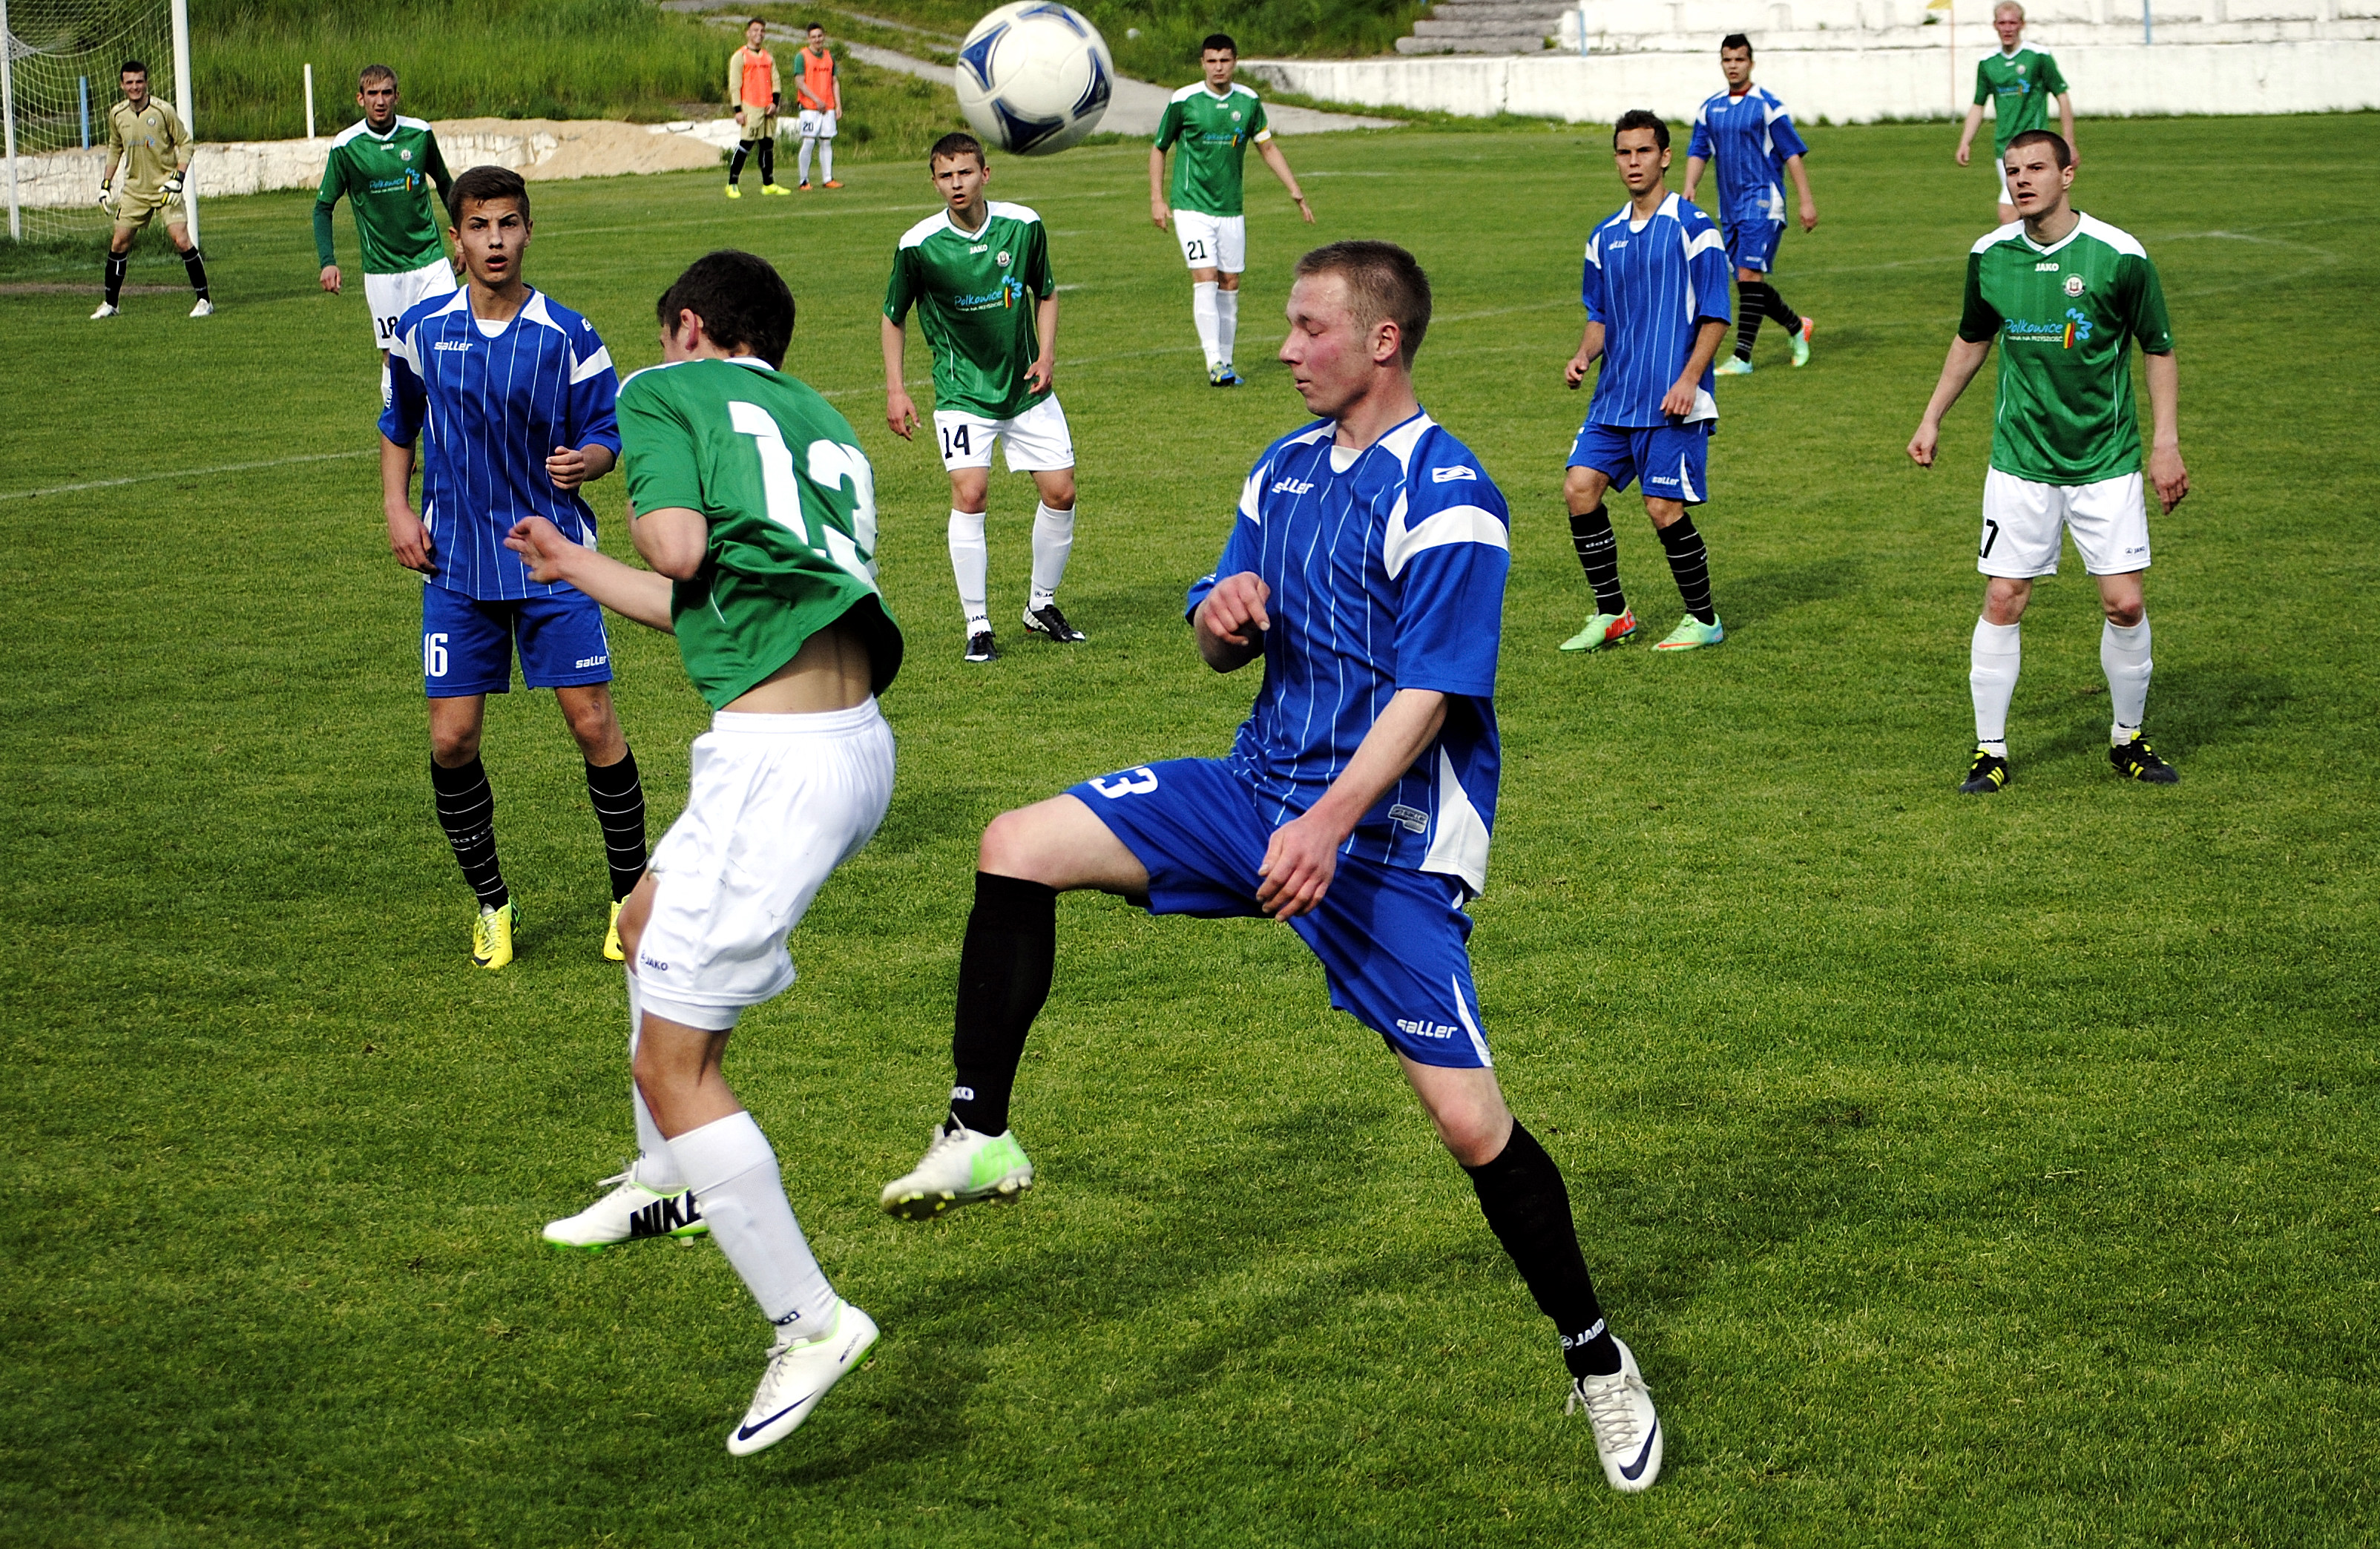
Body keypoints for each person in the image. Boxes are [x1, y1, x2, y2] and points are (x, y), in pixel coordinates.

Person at [878, 240, 1665, 1495]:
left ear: (1382, 341)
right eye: (1288, 327)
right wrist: (1218, 615)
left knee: (1471, 1124)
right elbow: (1219, 640)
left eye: (1308, 328)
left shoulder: (1451, 494)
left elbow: (1431, 693)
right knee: (1014, 846)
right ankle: (980, 1130)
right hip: (1255, 795)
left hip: (1388, 846)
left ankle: (1596, 1357)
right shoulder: (1282, 467)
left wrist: (1332, 825)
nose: (1286, 348)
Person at [514, 249, 903, 1456]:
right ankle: (667, 1180)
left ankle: (811, 1321)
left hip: (778, 765)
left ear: (687, 326)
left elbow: (678, 549)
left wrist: (631, 494)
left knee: (674, 1064)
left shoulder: (663, 390)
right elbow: (720, 596)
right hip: (841, 742)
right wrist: (574, 564)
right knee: (642, 922)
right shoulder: (818, 417)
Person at [379, 165, 648, 969]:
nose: (494, 240)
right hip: (456, 565)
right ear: (456, 239)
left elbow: (608, 432)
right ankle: (492, 905)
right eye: (479, 226)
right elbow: (398, 424)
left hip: (552, 563)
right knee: (452, 740)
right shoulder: (421, 330)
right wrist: (397, 508)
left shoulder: (568, 334)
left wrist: (588, 461)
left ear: (529, 231)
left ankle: (630, 899)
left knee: (593, 725)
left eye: (507, 224)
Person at [1907, 131, 2188, 794]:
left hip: (2105, 460)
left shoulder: (2119, 255)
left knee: (2125, 605)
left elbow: (2158, 347)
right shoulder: (1990, 255)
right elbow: (1972, 338)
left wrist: (2166, 443)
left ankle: (2127, 739)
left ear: (2068, 174)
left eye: (2037, 167)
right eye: (2013, 171)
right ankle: (1990, 751)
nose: (2023, 180)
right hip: (2020, 462)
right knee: (2003, 597)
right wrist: (1932, 415)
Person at [882, 131, 1083, 662]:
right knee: (970, 494)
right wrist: (896, 389)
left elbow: (1046, 293)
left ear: (985, 174)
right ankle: (978, 624)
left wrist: (1046, 356)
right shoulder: (918, 245)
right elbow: (893, 316)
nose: (957, 184)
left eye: (965, 173)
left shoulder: (1024, 226)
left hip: (1026, 387)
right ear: (934, 182)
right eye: (946, 176)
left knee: (1061, 492)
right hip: (962, 392)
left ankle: (1041, 604)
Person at [1558, 111, 1732, 655]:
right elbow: (1600, 315)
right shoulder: (1603, 236)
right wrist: (1584, 354)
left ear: (1665, 157)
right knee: (1579, 488)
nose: (1633, 162)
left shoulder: (1694, 227)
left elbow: (1716, 314)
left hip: (1671, 398)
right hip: (1615, 398)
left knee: (1662, 509)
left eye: (1643, 151)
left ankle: (1703, 619)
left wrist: (1690, 379)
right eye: (1624, 152)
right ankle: (1613, 613)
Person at [1149, 33, 1313, 387]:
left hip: (1231, 209)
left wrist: (1294, 190)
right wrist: (1157, 199)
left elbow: (1267, 147)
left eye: (1224, 60)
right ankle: (1214, 363)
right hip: (1191, 206)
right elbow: (1160, 148)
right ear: (1202, 64)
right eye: (1212, 61)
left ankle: (1226, 361)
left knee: (1230, 282)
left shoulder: (1249, 102)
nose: (1218, 67)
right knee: (1205, 277)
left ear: (1235, 62)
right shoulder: (1184, 101)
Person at [314, 64, 457, 406]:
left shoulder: (419, 133)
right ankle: (396, 430)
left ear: (397, 96)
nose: (380, 101)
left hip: (431, 262)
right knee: (395, 356)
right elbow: (323, 207)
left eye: (387, 93)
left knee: (449, 344)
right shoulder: (347, 146)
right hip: (383, 271)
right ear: (360, 99)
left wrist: (463, 240)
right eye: (373, 94)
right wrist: (328, 261)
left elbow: (446, 185)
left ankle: (448, 427)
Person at [1682, 35, 1816, 376]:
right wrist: (1690, 186)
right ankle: (1797, 327)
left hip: (1763, 202)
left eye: (1739, 60)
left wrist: (1806, 202)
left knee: (1748, 275)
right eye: (1727, 60)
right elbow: (1699, 150)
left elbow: (1792, 154)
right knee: (1747, 283)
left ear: (1751, 63)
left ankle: (1742, 357)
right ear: (1721, 63)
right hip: (1730, 208)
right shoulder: (1710, 109)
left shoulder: (1768, 106)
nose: (1733, 66)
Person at [91, 60, 210, 321]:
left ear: (146, 83)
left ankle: (204, 300)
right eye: (130, 82)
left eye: (139, 81)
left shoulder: (163, 110)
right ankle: (111, 304)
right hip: (135, 190)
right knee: (119, 243)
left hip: (165, 188)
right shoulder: (117, 114)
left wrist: (178, 178)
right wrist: (106, 184)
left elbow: (186, 144)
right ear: (122, 85)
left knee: (181, 240)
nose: (135, 87)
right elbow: (114, 148)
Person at [1956, 1, 2074, 226]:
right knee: (2031, 211)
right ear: (1995, 25)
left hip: (2035, 144)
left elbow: (2062, 96)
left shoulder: (2038, 56)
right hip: (2004, 147)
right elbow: (1978, 104)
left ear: (2022, 25)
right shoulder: (1988, 62)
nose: (2007, 28)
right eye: (2002, 23)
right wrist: (1965, 142)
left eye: (2012, 23)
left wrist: (2068, 141)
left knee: (2010, 212)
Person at [726, 19, 786, 199]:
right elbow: (735, 85)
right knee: (746, 144)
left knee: (767, 145)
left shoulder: (768, 57)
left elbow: (776, 81)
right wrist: (738, 110)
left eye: (762, 31)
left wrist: (775, 102)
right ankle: (732, 183)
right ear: (748, 33)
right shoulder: (740, 56)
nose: (759, 34)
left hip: (768, 107)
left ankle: (769, 183)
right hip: (750, 107)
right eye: (755, 30)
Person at [793, 23, 843, 191]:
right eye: (813, 37)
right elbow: (800, 82)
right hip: (809, 108)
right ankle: (803, 180)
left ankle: (828, 178)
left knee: (826, 141)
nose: (817, 40)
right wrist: (816, 100)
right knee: (808, 141)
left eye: (819, 36)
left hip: (828, 106)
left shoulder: (829, 56)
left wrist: (837, 104)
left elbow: (834, 82)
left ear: (824, 36)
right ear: (809, 38)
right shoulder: (802, 56)